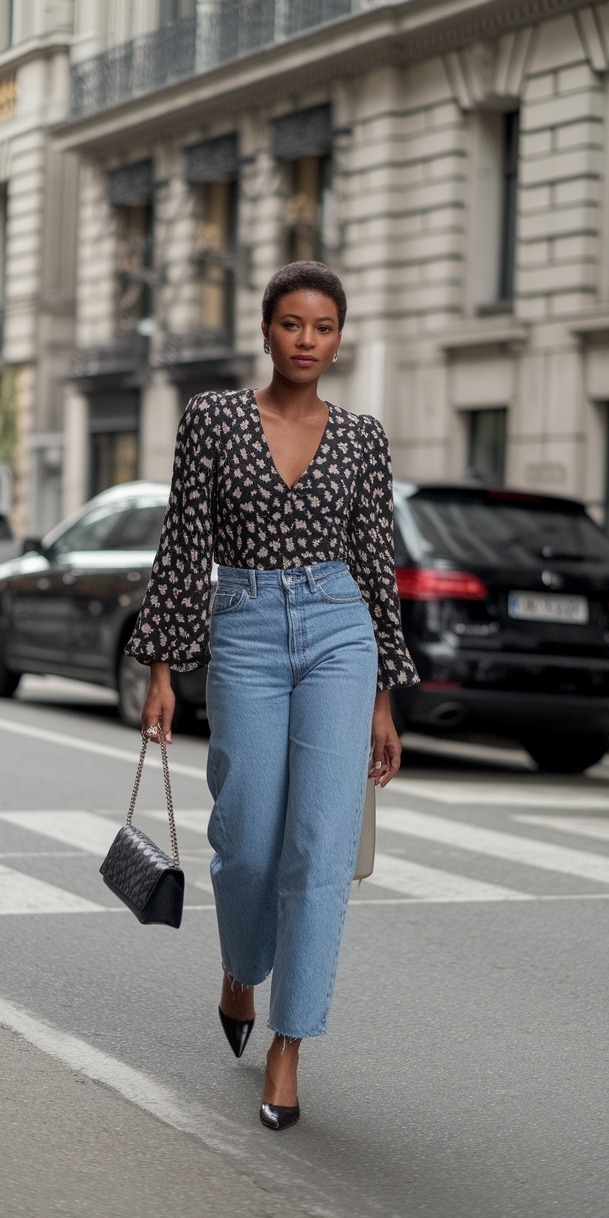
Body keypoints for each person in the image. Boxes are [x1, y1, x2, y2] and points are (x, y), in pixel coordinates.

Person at [128, 260, 418, 1131]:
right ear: (266, 331)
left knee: (321, 847)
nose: (306, 342)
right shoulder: (214, 417)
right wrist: (163, 672)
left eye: (322, 328)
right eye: (291, 325)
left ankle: (290, 1044)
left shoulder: (363, 438)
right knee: (247, 836)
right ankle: (240, 966)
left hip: (339, 629)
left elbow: (377, 565)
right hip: (246, 626)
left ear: (339, 338)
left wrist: (383, 700)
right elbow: (182, 544)